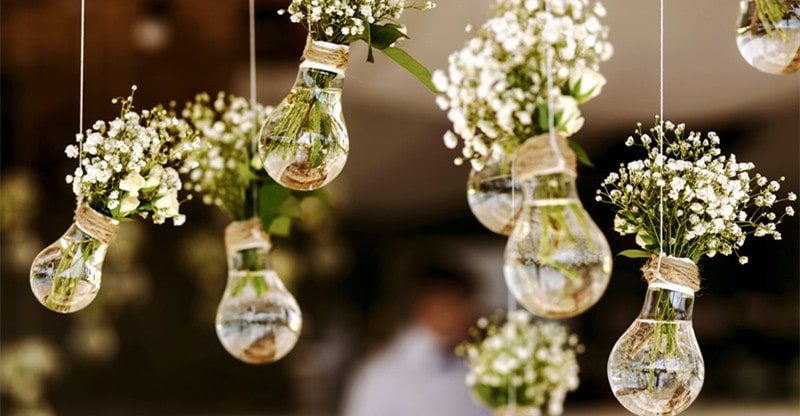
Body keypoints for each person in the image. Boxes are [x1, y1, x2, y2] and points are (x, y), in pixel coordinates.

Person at [341, 267, 489, 416]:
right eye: (458, 303)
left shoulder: (470, 367)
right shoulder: (381, 375)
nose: (471, 314)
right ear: (430, 305)